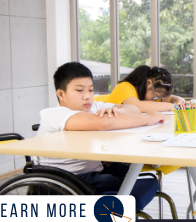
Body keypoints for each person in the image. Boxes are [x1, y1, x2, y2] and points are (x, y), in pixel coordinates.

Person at [36, 62, 165, 210]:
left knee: (125, 170)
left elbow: (133, 109)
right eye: (79, 90)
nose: (87, 96)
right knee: (115, 179)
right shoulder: (54, 114)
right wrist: (147, 118)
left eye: (91, 90)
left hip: (91, 171)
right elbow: (103, 123)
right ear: (61, 94)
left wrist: (116, 114)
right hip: (65, 181)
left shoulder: (94, 107)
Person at [108, 65, 185, 112]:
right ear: (148, 83)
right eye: (156, 95)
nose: (156, 99)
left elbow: (171, 99)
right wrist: (171, 106)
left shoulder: (149, 94)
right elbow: (135, 106)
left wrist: (182, 103)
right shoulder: (124, 87)